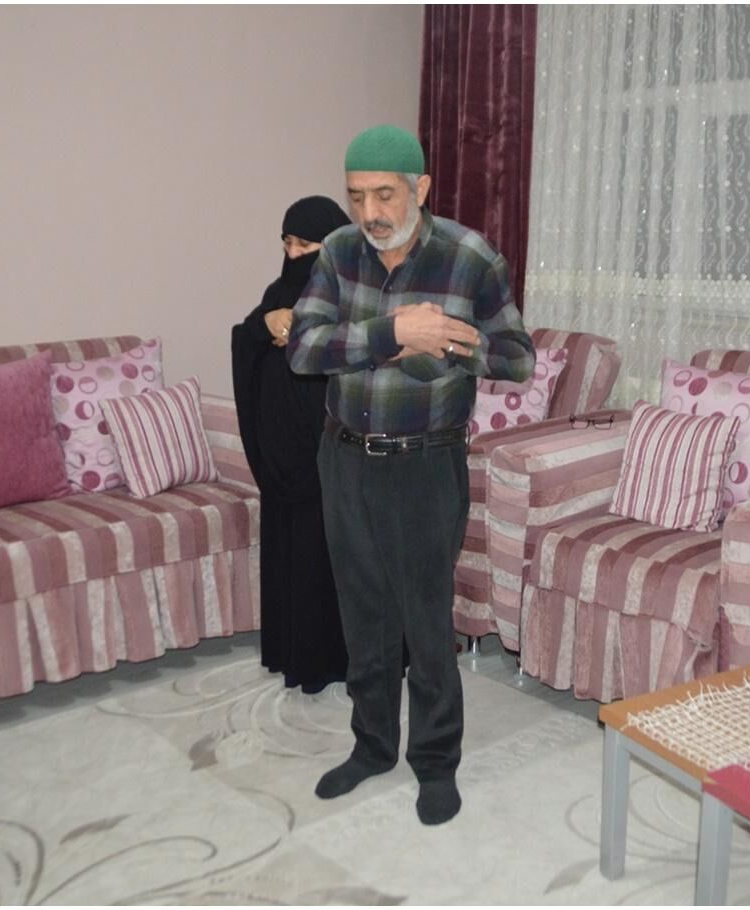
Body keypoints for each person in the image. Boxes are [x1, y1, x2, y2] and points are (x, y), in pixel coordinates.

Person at [287, 125, 534, 825]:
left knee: (425, 622)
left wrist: (448, 344)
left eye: (384, 194)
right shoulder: (337, 253)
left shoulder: (469, 257)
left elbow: (517, 358)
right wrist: (392, 334)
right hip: (343, 458)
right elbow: (302, 349)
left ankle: (434, 760)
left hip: (425, 464)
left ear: (420, 188)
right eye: (357, 195)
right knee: (362, 615)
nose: (369, 212)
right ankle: (371, 747)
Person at [231, 195, 352, 694]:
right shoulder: (277, 290)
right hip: (283, 454)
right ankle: (292, 652)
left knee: (329, 552)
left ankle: (334, 659)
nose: (293, 254)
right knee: (292, 550)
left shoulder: (352, 294)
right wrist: (265, 325)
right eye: (287, 243)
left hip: (330, 452)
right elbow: (245, 341)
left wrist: (305, 332)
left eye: (305, 245)